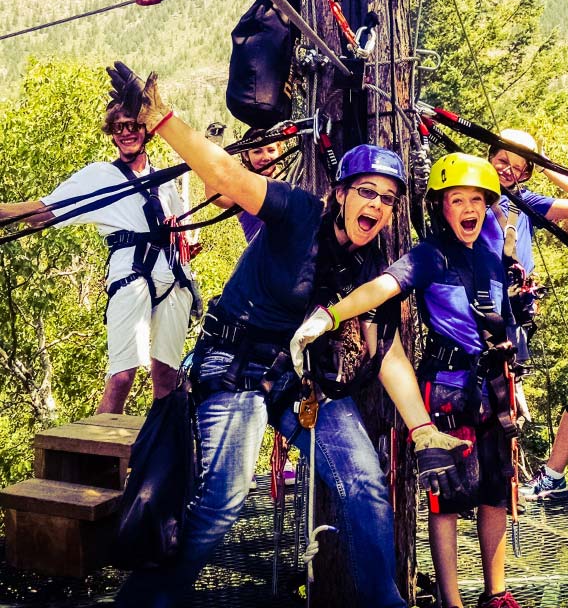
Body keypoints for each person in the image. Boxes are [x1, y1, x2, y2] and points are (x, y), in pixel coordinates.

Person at [116, 71, 468, 608]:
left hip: (293, 377)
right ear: (341, 194)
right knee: (222, 500)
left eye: (389, 198)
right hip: (231, 365)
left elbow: (386, 346)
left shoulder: (368, 262)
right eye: (367, 191)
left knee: (364, 484)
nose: (376, 205)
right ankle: (145, 602)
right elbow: (228, 177)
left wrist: (421, 428)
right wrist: (160, 120)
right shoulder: (298, 212)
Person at [291, 153, 523, 608]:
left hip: (494, 384)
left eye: (477, 199)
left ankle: (497, 593)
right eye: (457, 200)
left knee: (495, 490)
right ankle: (451, 601)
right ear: (441, 208)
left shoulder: (493, 249)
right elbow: (382, 287)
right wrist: (333, 314)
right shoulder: (430, 255)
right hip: (449, 389)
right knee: (449, 496)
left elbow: (505, 311)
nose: (469, 208)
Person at [0, 63, 195, 414]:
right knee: (122, 376)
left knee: (166, 375)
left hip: (172, 276)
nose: (126, 133)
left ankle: (164, 458)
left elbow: (180, 227)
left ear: (146, 131)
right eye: (119, 128)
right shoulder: (100, 176)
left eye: (134, 126)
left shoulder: (164, 179)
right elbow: (44, 211)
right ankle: (100, 461)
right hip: (130, 274)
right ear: (112, 134)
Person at [482, 129, 568, 363]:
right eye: (502, 160)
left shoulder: (526, 201)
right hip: (477, 305)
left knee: (512, 379)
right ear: (490, 158)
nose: (508, 169)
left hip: (514, 306)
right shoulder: (470, 195)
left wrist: (544, 166)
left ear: (524, 175)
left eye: (518, 167)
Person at [205, 126, 285, 243]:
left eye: (271, 150)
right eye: (257, 152)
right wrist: (210, 154)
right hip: (263, 259)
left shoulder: (292, 180)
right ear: (246, 156)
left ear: (279, 151)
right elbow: (216, 197)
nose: (266, 157)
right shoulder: (242, 187)